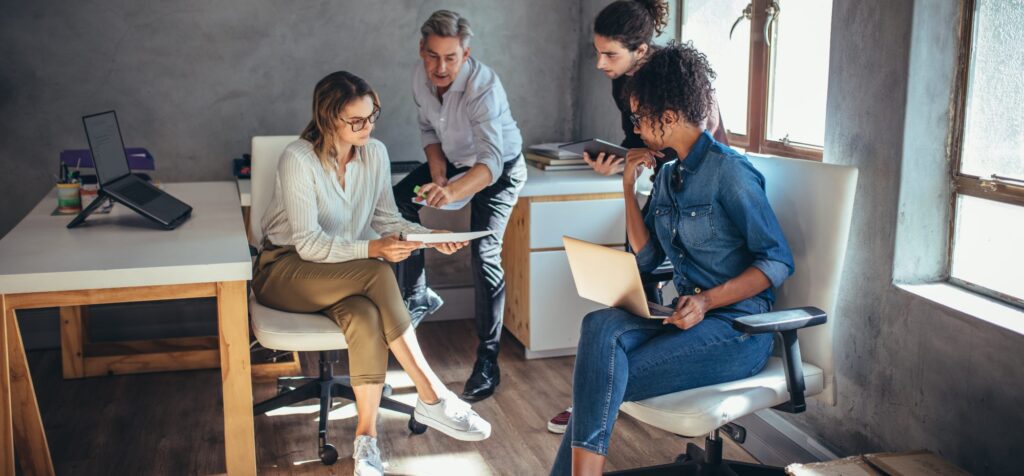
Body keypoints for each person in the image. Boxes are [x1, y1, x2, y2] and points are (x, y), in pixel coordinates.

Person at [550, 43, 794, 475]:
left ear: (669, 115)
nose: (634, 126)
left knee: (603, 376)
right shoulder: (667, 174)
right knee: (598, 325)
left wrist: (706, 301)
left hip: (738, 329)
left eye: (640, 115)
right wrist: (627, 186)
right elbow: (645, 260)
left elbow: (776, 262)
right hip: (681, 315)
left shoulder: (729, 173)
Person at [252, 71, 491, 476]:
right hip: (284, 269)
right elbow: (308, 244)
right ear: (329, 119)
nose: (368, 127)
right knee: (378, 272)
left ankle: (366, 444)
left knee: (365, 315)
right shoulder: (298, 158)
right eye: (357, 121)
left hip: (340, 272)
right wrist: (373, 249)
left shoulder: (375, 153)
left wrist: (430, 236)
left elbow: (386, 218)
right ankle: (431, 393)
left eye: (372, 116)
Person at [549, 0, 731, 436]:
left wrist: (644, 160)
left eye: (610, 54)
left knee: (644, 272)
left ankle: (606, 392)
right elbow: (639, 142)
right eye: (598, 52)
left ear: (642, 50)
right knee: (628, 278)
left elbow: (692, 140)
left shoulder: (679, 80)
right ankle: (604, 390)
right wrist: (621, 163)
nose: (599, 63)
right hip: (664, 181)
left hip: (699, 186)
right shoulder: (622, 85)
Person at [393, 10, 528, 403]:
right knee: (398, 200)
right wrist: (438, 172)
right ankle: (417, 293)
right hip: (455, 160)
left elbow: (491, 163)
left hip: (498, 170)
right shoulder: (422, 78)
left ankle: (488, 363)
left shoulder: (484, 87)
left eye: (451, 58)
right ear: (422, 49)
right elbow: (428, 129)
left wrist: (451, 193)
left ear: (466, 54)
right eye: (433, 56)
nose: (441, 67)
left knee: (484, 255)